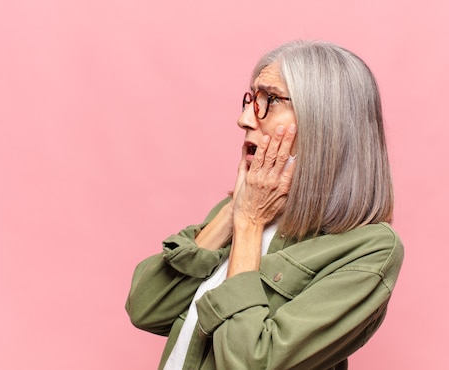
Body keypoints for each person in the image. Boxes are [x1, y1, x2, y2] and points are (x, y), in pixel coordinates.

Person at [125, 40, 404, 370]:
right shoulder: (244, 208)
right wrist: (234, 213)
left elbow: (251, 363)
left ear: (325, 122)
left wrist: (249, 224)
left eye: (269, 100)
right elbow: (146, 308)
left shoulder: (370, 250)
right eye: (250, 100)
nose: (244, 119)